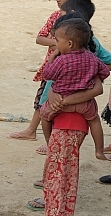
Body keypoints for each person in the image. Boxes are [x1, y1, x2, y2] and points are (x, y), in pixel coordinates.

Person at [7, 0, 91, 154]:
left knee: (50, 104)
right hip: (52, 68)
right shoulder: (56, 16)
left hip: (63, 72)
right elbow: (40, 38)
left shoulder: (78, 24)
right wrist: (58, 43)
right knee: (43, 100)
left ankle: (48, 139)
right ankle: (35, 132)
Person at [26, 78, 104, 216]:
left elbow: (46, 112)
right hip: (77, 129)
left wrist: (50, 142)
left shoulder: (65, 70)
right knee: (67, 179)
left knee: (56, 181)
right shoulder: (88, 70)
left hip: (63, 130)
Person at [39, 18, 109, 160]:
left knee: (44, 116)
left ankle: (48, 144)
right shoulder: (92, 58)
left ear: (69, 44)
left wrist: (52, 57)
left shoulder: (60, 60)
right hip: (85, 103)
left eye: (58, 41)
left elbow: (47, 74)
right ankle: (99, 150)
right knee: (94, 121)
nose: (56, 44)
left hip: (59, 101)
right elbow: (105, 72)